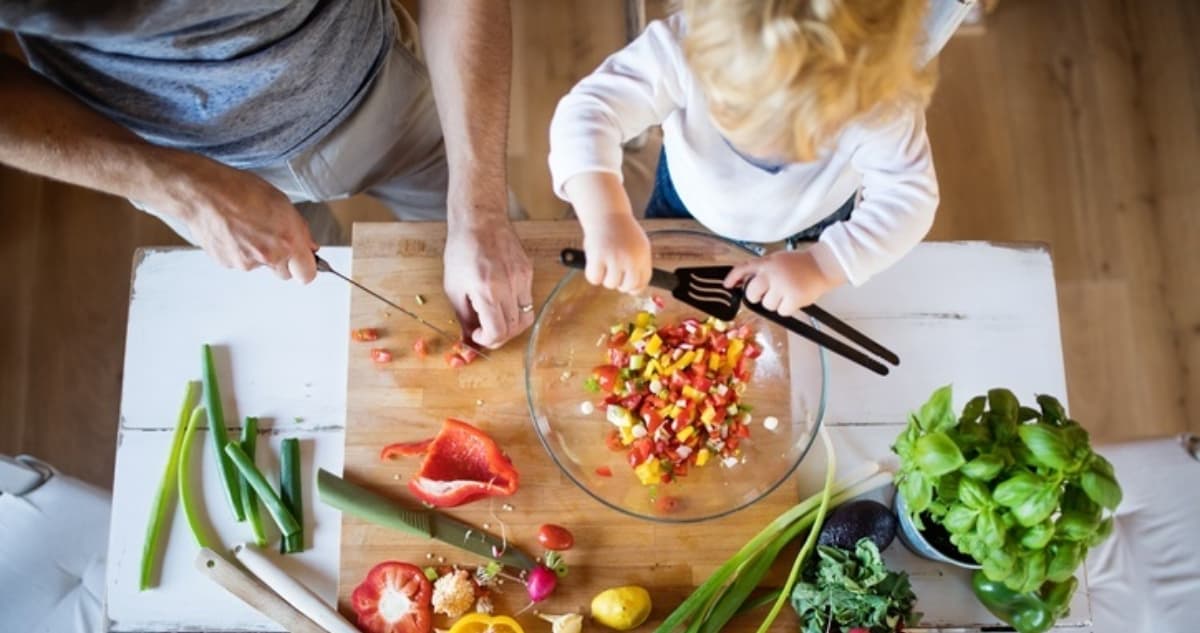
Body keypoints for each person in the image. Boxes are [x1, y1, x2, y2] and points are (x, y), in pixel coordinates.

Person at [0, 1, 533, 349]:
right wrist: (182, 191)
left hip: (377, 89)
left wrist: (480, 212)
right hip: (175, 163)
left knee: (506, 280)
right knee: (323, 328)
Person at [549, 0, 939, 318]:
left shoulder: (880, 99)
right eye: (737, 113)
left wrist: (824, 266)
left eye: (807, 138)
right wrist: (607, 217)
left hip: (815, 223)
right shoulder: (689, 45)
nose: (767, 154)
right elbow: (589, 110)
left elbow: (908, 198)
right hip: (687, 204)